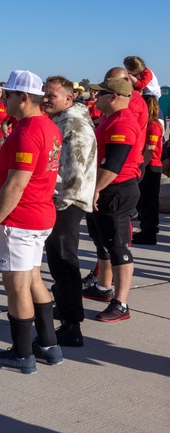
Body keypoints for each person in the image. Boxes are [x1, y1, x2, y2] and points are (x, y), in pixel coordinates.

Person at [0, 70, 63, 374]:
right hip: (40, 214)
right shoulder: (48, 126)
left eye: (9, 95)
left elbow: (16, 185)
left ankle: (22, 353)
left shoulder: (28, 131)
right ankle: (49, 345)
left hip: (20, 218)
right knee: (34, 279)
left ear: (23, 97)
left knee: (16, 287)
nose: (3, 100)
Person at [82, 77, 143, 323]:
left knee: (119, 247)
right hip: (104, 188)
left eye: (101, 94)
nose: (95, 98)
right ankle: (103, 288)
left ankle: (121, 303)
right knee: (103, 243)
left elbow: (115, 164)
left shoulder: (123, 123)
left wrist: (96, 189)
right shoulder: (109, 119)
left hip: (115, 189)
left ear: (114, 96)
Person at [41, 76, 97, 347]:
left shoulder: (73, 124)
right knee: (57, 260)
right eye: (45, 94)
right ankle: (64, 309)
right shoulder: (62, 120)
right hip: (61, 201)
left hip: (66, 202)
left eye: (51, 95)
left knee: (64, 261)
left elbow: (74, 173)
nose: (46, 98)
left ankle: (72, 325)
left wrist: (58, 203)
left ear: (68, 98)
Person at [133, 94, 163, 245]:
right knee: (143, 201)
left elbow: (150, 149)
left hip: (150, 167)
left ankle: (149, 232)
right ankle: (145, 228)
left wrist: (140, 168)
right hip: (147, 166)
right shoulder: (147, 125)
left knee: (149, 202)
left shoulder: (153, 126)